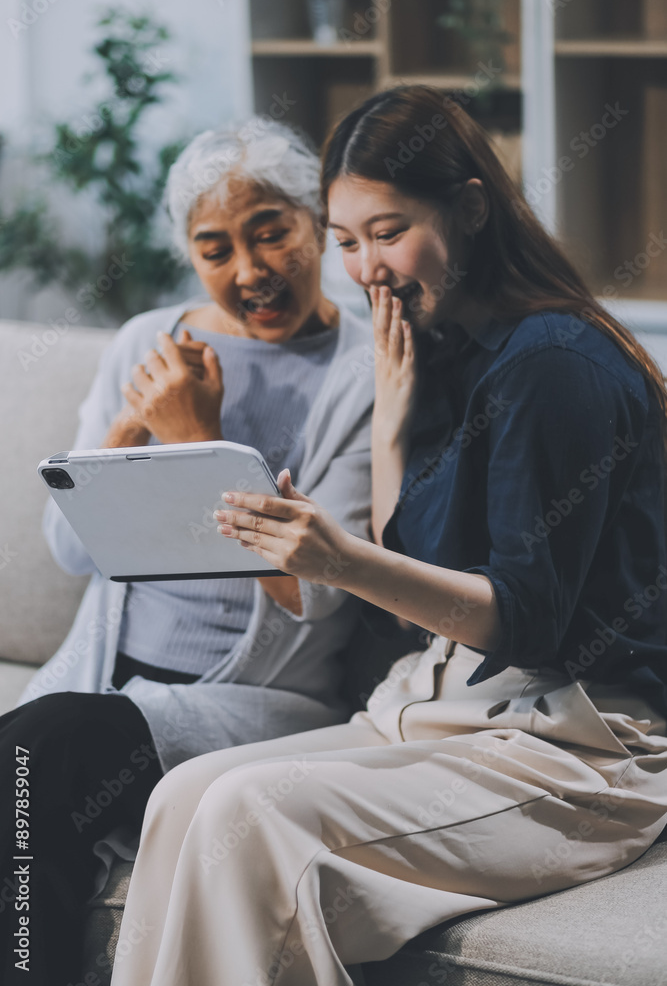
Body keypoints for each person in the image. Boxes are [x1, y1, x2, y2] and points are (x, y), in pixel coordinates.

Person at [109, 86, 667, 986]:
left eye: (388, 230)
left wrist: (333, 558)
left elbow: (520, 620)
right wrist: (393, 419)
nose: (365, 265)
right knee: (182, 796)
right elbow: (422, 600)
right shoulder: (429, 346)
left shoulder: (553, 365)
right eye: (344, 241)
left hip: (577, 750)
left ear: (472, 208)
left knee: (245, 812)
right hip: (443, 708)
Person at [0, 120, 377, 985]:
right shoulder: (147, 342)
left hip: (257, 699)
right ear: (190, 255)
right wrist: (128, 436)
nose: (248, 270)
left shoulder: (364, 372)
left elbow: (320, 600)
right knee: (27, 780)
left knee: (34, 756)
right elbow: (68, 550)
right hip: (103, 678)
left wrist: (197, 445)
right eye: (216, 247)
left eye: (270, 231)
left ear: (315, 221)